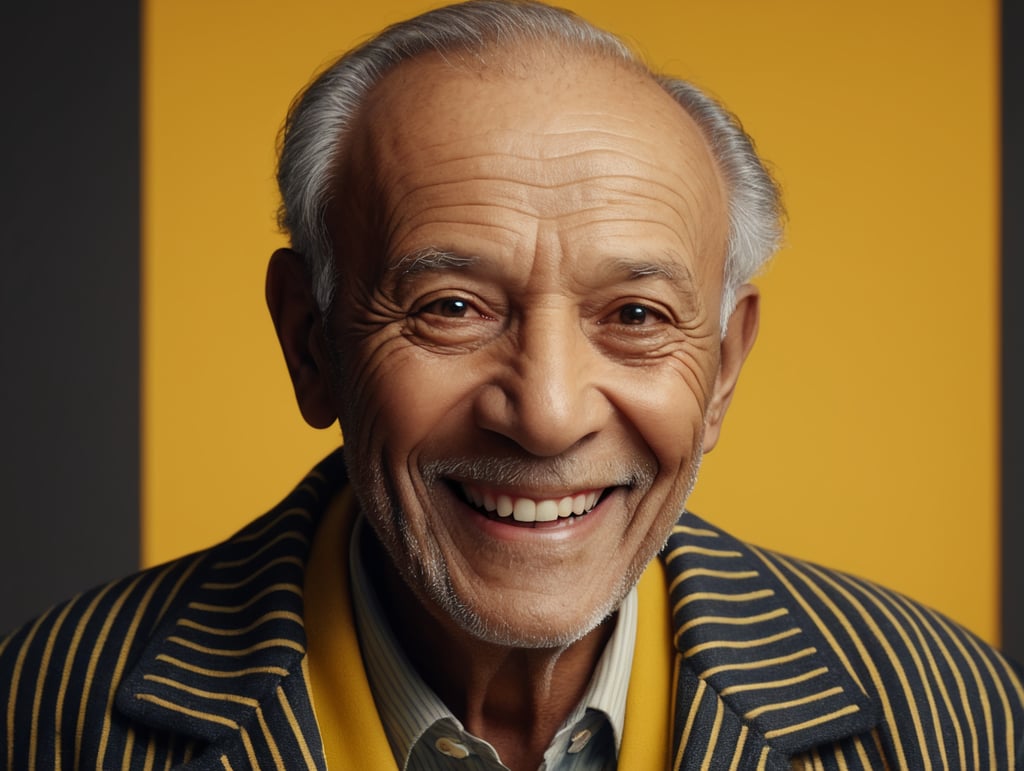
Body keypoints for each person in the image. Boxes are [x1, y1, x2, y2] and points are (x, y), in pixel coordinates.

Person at [2, 1, 1021, 768]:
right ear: (310, 342)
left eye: (634, 318)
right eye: (449, 307)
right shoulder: (43, 714)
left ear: (722, 369)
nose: (545, 413)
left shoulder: (953, 717)